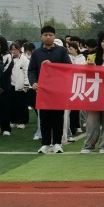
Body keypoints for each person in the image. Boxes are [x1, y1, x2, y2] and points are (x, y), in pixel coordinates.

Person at [27, 25, 72, 154]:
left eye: (50, 35)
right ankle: (45, 143)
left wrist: (53, 66)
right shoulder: (37, 53)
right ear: (41, 37)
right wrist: (33, 82)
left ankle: (57, 143)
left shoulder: (61, 51)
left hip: (58, 89)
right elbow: (32, 70)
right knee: (44, 117)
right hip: (43, 90)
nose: (48, 37)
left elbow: (68, 67)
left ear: (54, 36)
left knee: (58, 117)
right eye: (45, 35)